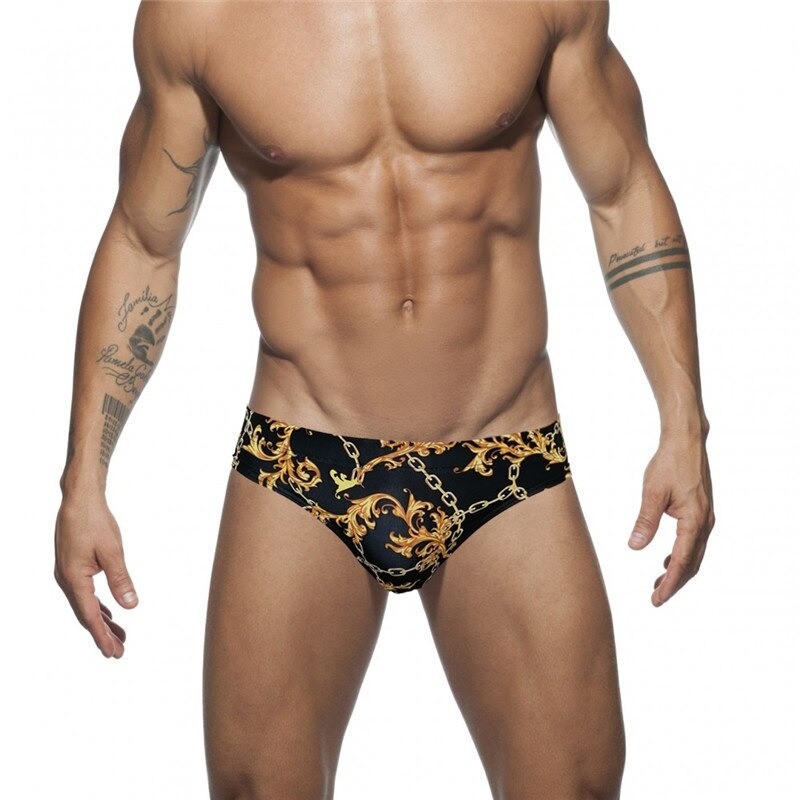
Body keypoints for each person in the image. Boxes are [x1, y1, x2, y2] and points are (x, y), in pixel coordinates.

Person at [53, 2, 715, 798]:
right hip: (303, 457)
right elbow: (144, 242)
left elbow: (623, 189)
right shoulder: (202, 15)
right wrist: (83, 482)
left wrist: (684, 424)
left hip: (504, 451)